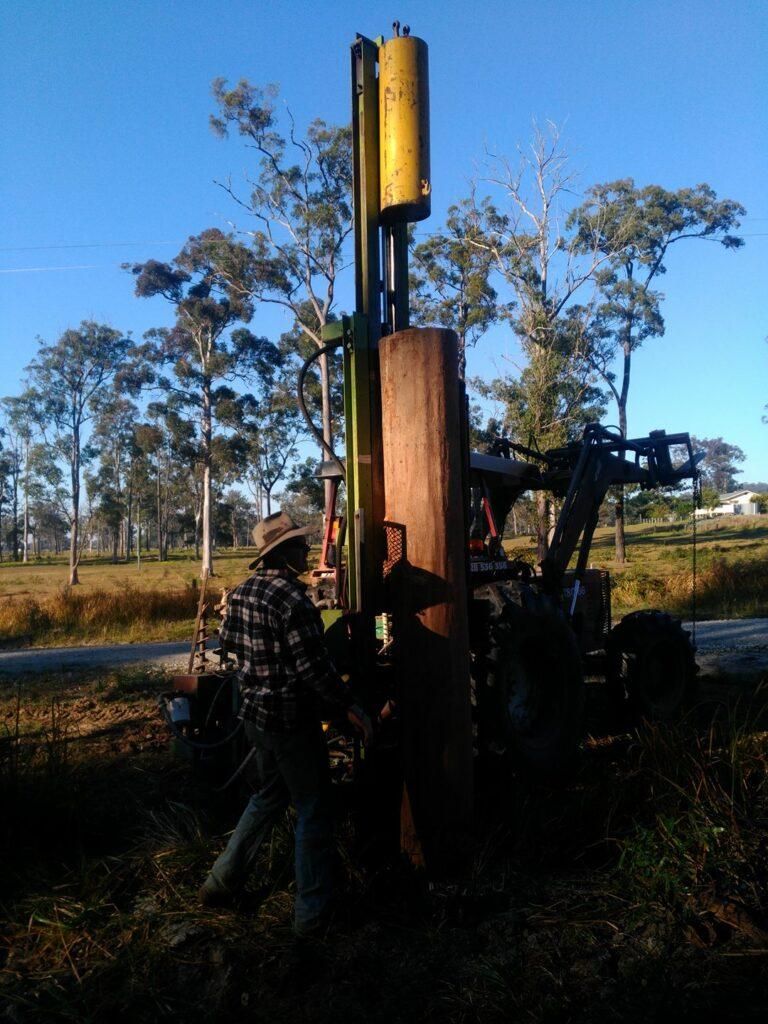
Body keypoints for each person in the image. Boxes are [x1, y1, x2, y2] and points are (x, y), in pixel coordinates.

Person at [199, 510, 372, 936]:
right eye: (301, 545)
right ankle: (311, 919)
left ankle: (220, 883)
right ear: (286, 553)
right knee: (315, 807)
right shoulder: (293, 601)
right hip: (289, 721)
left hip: (256, 717)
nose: (307, 550)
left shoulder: (242, 593)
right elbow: (314, 671)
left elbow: (231, 644)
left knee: (268, 797)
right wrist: (350, 705)